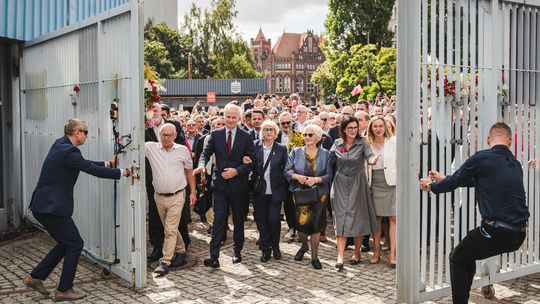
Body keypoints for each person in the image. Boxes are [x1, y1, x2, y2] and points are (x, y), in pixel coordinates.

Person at [420, 122, 529, 304]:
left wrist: (431, 186)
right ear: (509, 141)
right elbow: (478, 181)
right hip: (518, 234)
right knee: (465, 255)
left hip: (496, 232)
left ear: (488, 139)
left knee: (456, 258)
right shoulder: (514, 163)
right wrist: (445, 178)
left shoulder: (482, 157)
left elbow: (456, 182)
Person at [23, 119, 130, 301]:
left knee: (66, 243)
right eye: (86, 132)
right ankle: (64, 290)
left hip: (46, 206)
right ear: (76, 132)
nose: (87, 136)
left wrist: (107, 164)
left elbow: (82, 163)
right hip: (51, 208)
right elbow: (89, 169)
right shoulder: (68, 150)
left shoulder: (62, 145)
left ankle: (35, 278)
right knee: (75, 244)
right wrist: (122, 172)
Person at [194, 104, 255, 268]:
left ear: (239, 118)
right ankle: (214, 257)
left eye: (233, 117)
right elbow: (205, 153)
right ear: (224, 116)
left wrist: (237, 171)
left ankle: (237, 251)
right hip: (220, 185)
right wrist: (201, 165)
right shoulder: (215, 134)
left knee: (238, 221)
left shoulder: (246, 136)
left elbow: (252, 161)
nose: (230, 120)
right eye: (227, 116)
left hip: (238, 186)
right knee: (218, 220)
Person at [145, 123, 197, 276]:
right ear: (159, 135)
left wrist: (193, 191)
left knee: (169, 229)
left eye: (169, 135)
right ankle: (181, 250)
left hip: (177, 195)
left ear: (175, 136)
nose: (166, 138)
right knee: (170, 228)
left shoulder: (183, 150)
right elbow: (132, 147)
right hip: (159, 196)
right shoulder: (150, 148)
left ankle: (165, 262)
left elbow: (189, 172)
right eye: (163, 134)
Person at [330, 116, 380, 271]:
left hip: (358, 184)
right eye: (349, 128)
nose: (353, 130)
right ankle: (340, 257)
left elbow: (370, 156)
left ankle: (356, 253)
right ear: (344, 129)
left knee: (358, 218)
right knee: (340, 218)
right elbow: (328, 161)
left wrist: (372, 160)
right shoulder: (337, 144)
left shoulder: (363, 142)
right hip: (340, 183)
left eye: (355, 127)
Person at [284, 124, 333, 269]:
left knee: (316, 225)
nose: (306, 137)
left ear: (317, 137)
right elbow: (286, 171)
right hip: (300, 192)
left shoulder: (326, 154)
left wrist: (316, 180)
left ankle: (314, 256)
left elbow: (329, 174)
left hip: (319, 193)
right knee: (301, 223)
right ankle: (304, 246)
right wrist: (297, 176)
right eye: (305, 134)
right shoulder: (296, 151)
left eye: (310, 135)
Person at [247, 120, 288, 262]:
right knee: (261, 220)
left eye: (271, 129)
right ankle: (265, 249)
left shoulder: (281, 149)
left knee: (274, 220)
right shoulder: (255, 146)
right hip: (259, 191)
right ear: (261, 133)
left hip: (275, 191)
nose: (269, 132)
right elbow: (250, 165)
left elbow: (285, 168)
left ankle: (275, 246)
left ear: (276, 133)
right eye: (266, 129)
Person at [367, 116, 397, 266]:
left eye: (380, 126)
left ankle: (393, 252)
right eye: (375, 126)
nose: (378, 129)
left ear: (385, 127)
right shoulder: (367, 143)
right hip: (375, 182)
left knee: (393, 218)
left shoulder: (394, 141)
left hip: (392, 182)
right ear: (371, 128)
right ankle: (377, 250)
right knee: (377, 218)